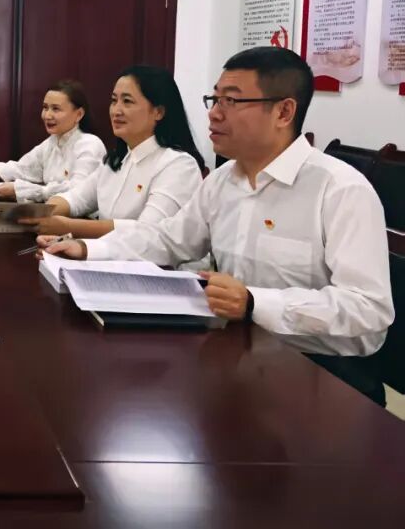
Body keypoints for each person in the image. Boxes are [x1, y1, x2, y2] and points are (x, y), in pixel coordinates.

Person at [46, 47, 393, 405]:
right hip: (241, 353)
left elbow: (369, 309)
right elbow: (169, 239)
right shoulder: (223, 180)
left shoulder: (339, 190)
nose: (214, 113)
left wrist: (255, 302)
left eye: (232, 100)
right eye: (214, 99)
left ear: (284, 112)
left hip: (325, 378)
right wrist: (88, 249)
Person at [31, 66, 205, 240]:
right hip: (106, 254)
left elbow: (147, 232)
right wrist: (41, 214)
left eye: (127, 101)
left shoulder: (179, 165)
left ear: (158, 112)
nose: (116, 111)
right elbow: (77, 198)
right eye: (114, 101)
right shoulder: (116, 160)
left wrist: (70, 227)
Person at [0, 80, 105, 202]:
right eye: (45, 107)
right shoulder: (52, 142)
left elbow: (78, 191)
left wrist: (24, 191)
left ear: (79, 114)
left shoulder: (90, 145)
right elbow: (24, 168)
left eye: (56, 109)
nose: (47, 115)